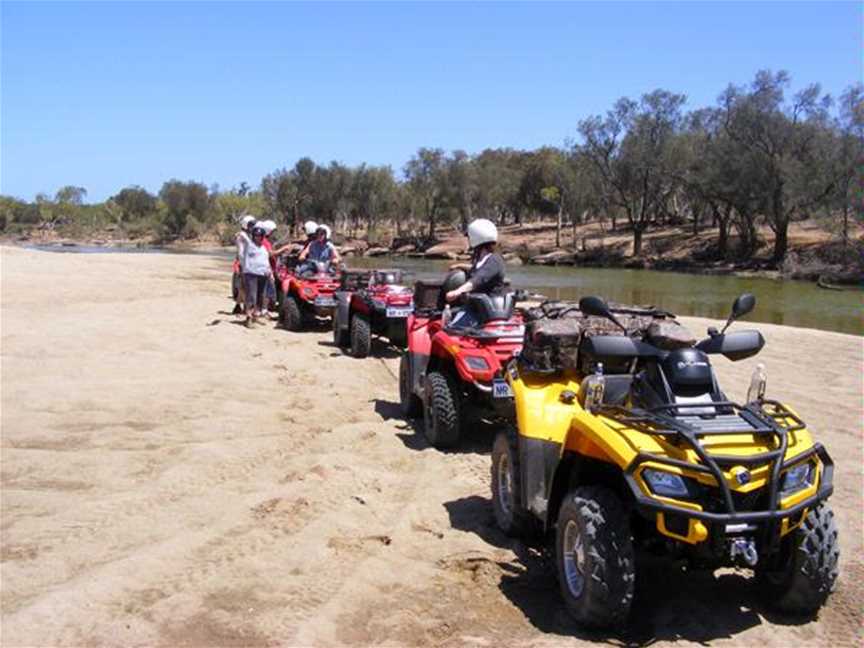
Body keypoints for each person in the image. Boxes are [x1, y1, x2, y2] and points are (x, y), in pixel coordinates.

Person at [445, 219, 506, 302]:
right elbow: (477, 268)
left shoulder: (494, 260)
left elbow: (478, 279)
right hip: (477, 305)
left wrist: (457, 292)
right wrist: (459, 265)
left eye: (469, 237)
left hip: (488, 306)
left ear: (476, 238)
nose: (468, 240)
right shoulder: (483, 258)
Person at [241, 225, 273, 327]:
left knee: (260, 296)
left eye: (260, 235)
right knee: (251, 296)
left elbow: (266, 261)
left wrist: (270, 273)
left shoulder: (263, 248)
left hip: (263, 274)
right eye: (255, 235)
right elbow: (242, 237)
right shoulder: (249, 245)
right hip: (251, 274)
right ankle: (249, 318)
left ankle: (255, 315)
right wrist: (240, 233)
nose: (257, 237)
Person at [233, 215, 257, 314]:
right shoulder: (242, 236)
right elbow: (241, 253)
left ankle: (238, 306)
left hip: (246, 264)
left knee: (243, 287)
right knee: (246, 287)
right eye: (251, 225)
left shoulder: (246, 235)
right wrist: (245, 265)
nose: (252, 227)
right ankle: (246, 308)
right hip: (245, 265)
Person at [259, 220, 278, 312]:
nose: (274, 234)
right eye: (273, 231)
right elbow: (270, 254)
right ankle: (264, 309)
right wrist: (284, 249)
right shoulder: (265, 241)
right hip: (266, 269)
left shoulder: (265, 241)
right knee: (267, 290)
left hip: (268, 269)